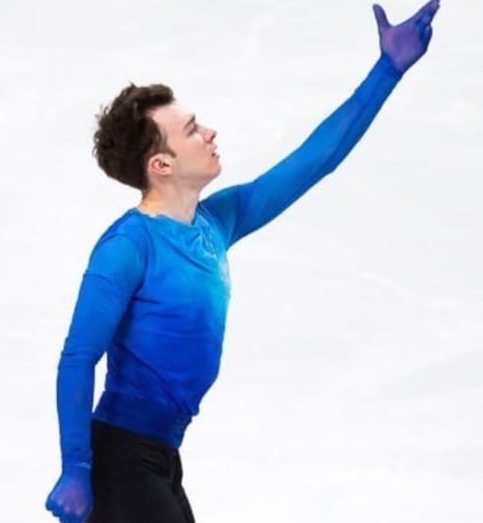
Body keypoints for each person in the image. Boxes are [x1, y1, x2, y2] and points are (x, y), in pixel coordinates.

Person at [45, 2, 441, 521]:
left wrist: (386, 72)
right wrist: (76, 468)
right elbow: (78, 357)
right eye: (191, 130)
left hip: (159, 458)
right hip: (120, 460)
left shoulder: (217, 222)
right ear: (161, 164)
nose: (209, 132)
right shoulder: (127, 247)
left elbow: (314, 161)